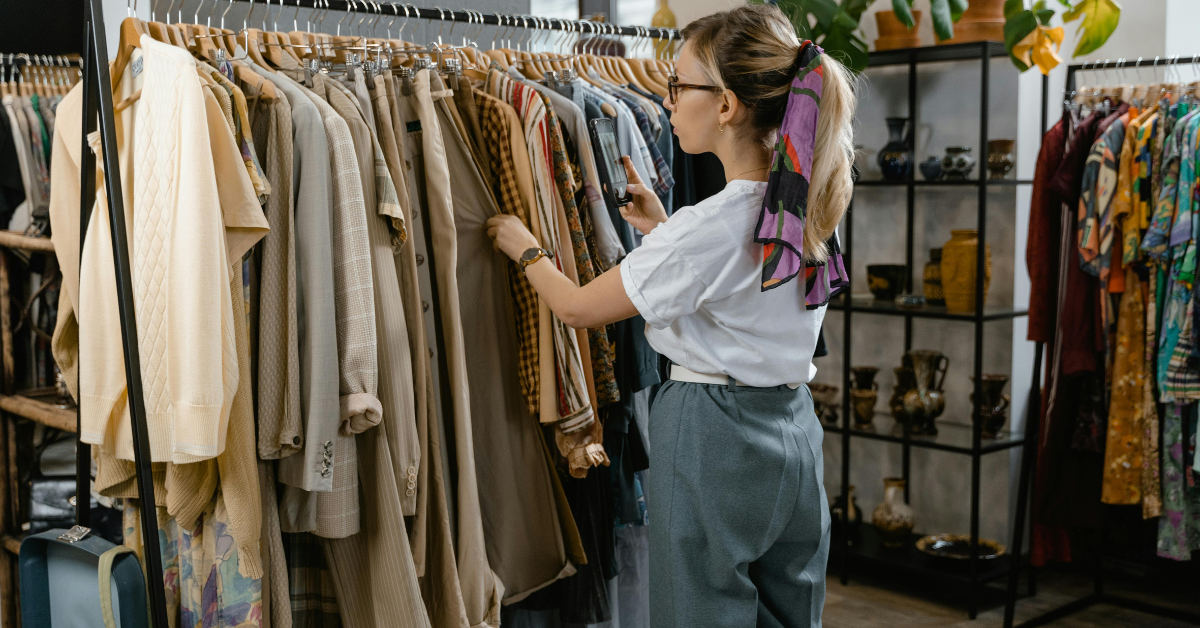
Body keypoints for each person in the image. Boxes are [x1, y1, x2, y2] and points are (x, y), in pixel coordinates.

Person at [486, 4, 855, 626]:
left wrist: (522, 245)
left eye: (678, 85)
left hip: (716, 431)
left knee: (699, 609)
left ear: (727, 105)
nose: (668, 98)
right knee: (791, 609)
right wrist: (663, 228)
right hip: (792, 430)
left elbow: (577, 308)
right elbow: (740, 291)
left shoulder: (708, 227)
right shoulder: (800, 198)